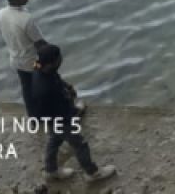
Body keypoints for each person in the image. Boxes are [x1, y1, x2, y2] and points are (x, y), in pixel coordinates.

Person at [32, 44, 117, 183]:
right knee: (80, 144)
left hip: (53, 120)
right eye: (59, 58)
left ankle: (50, 170)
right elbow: (56, 107)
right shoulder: (45, 89)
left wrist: (67, 86)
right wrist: (72, 112)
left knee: (54, 140)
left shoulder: (41, 70)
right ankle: (92, 173)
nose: (61, 60)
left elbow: (56, 78)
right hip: (59, 119)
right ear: (52, 62)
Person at [0, 0, 47, 117]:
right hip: (32, 62)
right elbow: (39, 42)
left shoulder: (1, 14)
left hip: (15, 59)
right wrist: (51, 53)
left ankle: (33, 115)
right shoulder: (26, 19)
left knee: (27, 88)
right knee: (43, 87)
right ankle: (47, 113)